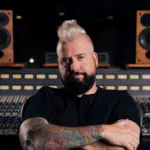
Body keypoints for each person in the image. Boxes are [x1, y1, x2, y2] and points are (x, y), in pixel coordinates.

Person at [19, 20, 141, 150]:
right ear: (59, 64)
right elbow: (33, 139)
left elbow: (126, 144)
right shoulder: (44, 98)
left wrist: (63, 144)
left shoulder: (121, 100)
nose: (74, 67)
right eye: (65, 60)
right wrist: (103, 131)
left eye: (81, 57)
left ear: (95, 60)